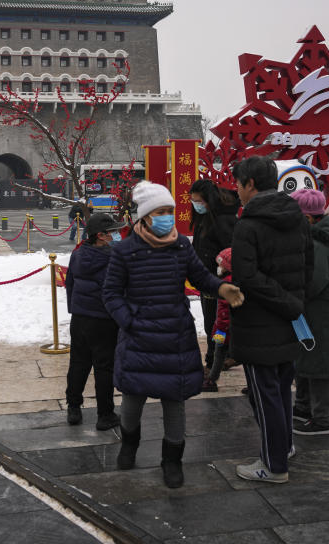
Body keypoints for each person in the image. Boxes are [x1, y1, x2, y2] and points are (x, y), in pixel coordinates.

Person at [103, 181, 243, 488]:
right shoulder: (125, 250)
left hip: (175, 336)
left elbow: (200, 276)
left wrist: (221, 287)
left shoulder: (180, 245)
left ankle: (172, 460)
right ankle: (129, 444)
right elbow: (111, 293)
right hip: (139, 337)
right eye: (161, 211)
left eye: (170, 210)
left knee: (175, 401)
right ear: (145, 216)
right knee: (132, 401)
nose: (168, 216)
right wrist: (130, 320)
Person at [229, 156, 312, 484]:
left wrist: (283, 302)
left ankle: (273, 466)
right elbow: (309, 269)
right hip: (291, 321)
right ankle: (284, 446)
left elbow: (246, 277)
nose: (236, 190)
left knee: (265, 397)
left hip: (259, 324)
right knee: (281, 390)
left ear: (250, 184)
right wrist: (294, 304)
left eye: (238, 183)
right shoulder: (300, 219)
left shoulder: (248, 224)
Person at [289, 189, 329, 436]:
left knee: (319, 369)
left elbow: (312, 283)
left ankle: (321, 420)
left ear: (306, 218)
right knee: (306, 363)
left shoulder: (319, 244)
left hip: (322, 316)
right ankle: (303, 408)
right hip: (316, 315)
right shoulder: (317, 237)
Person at [64, 213, 125, 430]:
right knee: (104, 367)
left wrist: (75, 309)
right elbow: (118, 291)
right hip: (104, 321)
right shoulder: (112, 258)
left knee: (78, 363)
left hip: (80, 319)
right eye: (113, 232)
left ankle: (73, 408)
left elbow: (69, 283)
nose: (117, 235)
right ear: (100, 236)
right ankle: (105, 414)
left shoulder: (78, 254)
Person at [189, 179, 239, 377]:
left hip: (220, 283)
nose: (195, 205)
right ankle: (224, 356)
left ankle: (212, 364)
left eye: (198, 201)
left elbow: (230, 253)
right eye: (192, 201)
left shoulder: (224, 221)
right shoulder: (205, 218)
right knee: (217, 325)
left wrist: (221, 274)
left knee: (216, 326)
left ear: (208, 200)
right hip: (207, 281)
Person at [202, 248, 234, 392]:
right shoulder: (232, 281)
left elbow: (223, 313)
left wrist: (218, 332)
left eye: (221, 265)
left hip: (223, 329)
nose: (218, 268)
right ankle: (252, 385)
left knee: (218, 353)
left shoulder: (224, 286)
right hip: (229, 329)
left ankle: (211, 380)